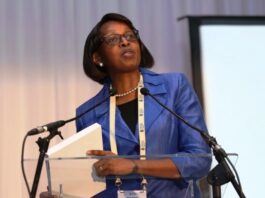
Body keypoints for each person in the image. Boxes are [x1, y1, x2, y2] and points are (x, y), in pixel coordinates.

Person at [76, 13, 212, 198]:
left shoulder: (174, 87)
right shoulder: (87, 114)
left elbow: (199, 159)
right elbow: (93, 183)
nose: (125, 42)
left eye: (130, 35)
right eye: (113, 39)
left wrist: (133, 165)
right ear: (97, 57)